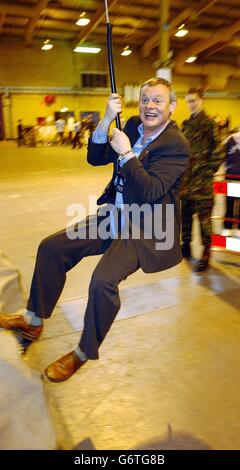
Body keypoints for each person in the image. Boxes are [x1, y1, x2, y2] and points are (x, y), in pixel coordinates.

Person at [0, 77, 189, 383]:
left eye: (158, 100)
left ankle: (83, 351)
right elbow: (95, 157)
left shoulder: (176, 145)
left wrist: (128, 154)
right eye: (145, 99)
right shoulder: (130, 126)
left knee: (102, 281)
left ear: (172, 106)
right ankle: (33, 321)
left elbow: (153, 190)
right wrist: (104, 121)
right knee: (52, 248)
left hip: (146, 225)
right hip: (114, 214)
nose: (150, 106)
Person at [181, 87, 222, 272]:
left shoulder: (209, 124)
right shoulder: (186, 124)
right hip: (186, 182)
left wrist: (208, 171)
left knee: (204, 221)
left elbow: (219, 151)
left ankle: (206, 253)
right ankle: (186, 246)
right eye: (188, 101)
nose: (191, 104)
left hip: (203, 183)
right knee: (186, 217)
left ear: (201, 100)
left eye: (193, 101)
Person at [222, 129, 240, 236]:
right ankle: (227, 227)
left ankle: (238, 229)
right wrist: (228, 167)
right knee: (229, 203)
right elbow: (223, 157)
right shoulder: (230, 140)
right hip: (230, 176)